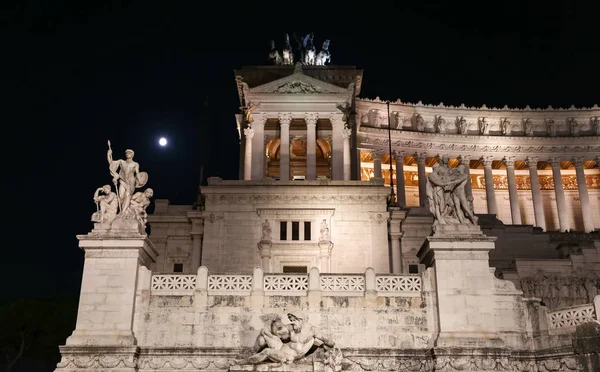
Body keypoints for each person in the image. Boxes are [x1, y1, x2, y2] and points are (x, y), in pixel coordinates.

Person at [233, 312, 335, 365]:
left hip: (288, 356)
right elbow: (279, 332)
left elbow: (330, 342)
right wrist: (274, 330)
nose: (292, 322)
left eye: (293, 320)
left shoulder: (313, 330)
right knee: (264, 333)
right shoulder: (292, 328)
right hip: (281, 347)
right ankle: (252, 354)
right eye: (290, 320)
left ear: (300, 319)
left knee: (267, 351)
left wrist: (326, 348)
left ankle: (243, 362)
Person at [107, 148, 146, 213]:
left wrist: (140, 181)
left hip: (131, 182)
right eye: (127, 153)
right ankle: (123, 210)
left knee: (127, 196)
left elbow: (137, 173)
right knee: (121, 196)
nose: (128, 154)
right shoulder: (121, 162)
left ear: (132, 155)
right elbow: (111, 163)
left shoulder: (135, 164)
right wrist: (108, 154)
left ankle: (123, 212)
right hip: (122, 180)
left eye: (129, 153)